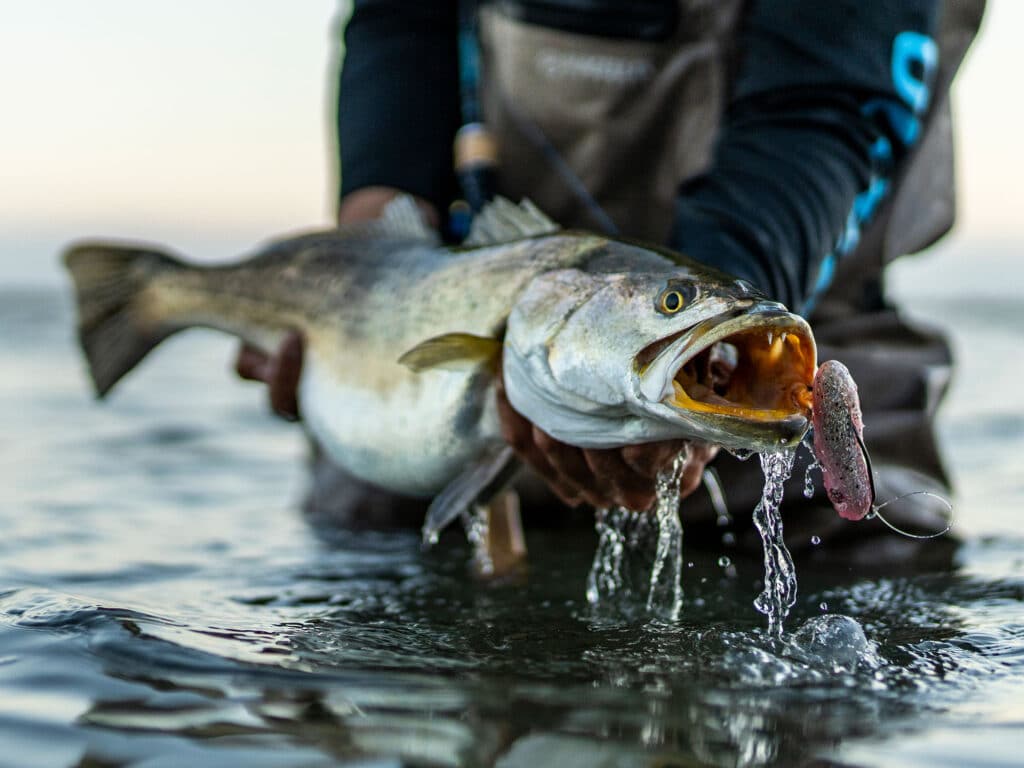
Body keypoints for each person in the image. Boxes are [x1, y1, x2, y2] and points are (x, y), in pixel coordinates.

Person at [238, 0, 984, 557]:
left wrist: (720, 357)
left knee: (880, 583)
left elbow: (822, 107)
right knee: (368, 569)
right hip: (461, 314)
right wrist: (371, 234)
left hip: (804, 318)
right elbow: (403, 18)